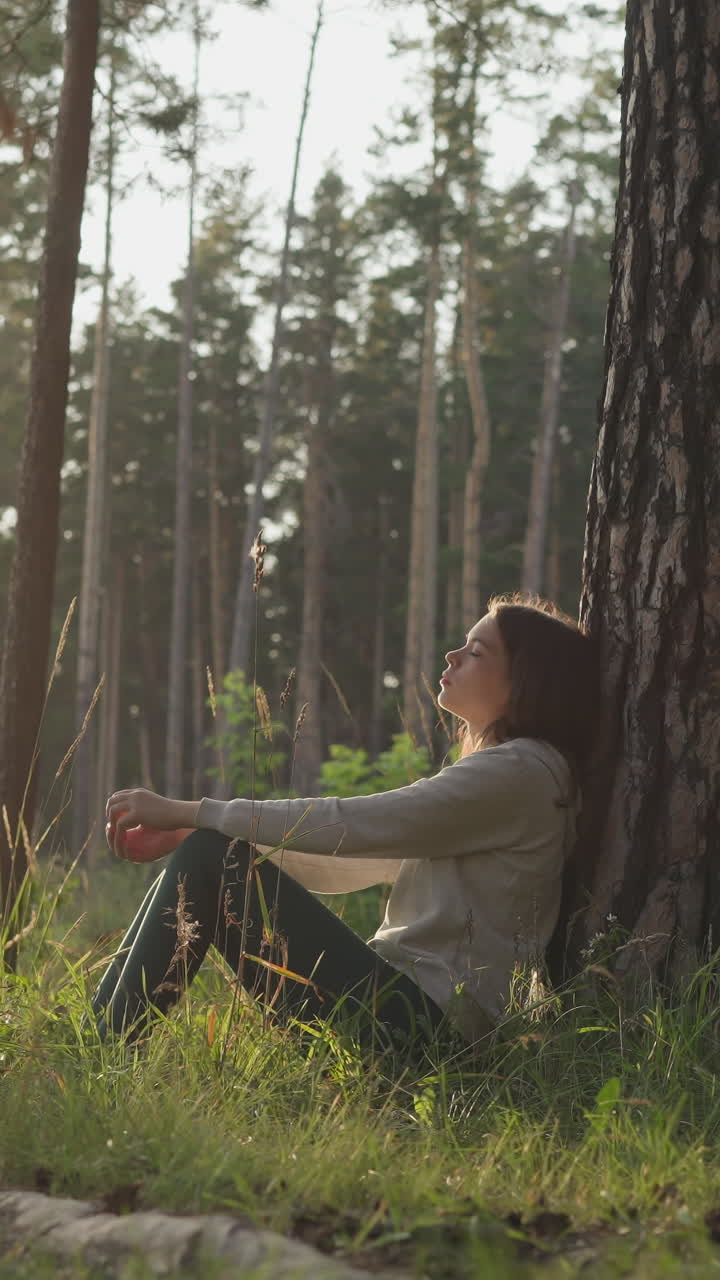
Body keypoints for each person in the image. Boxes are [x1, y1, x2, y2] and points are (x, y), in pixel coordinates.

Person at [93, 593, 601, 1052]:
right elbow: (361, 861)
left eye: (476, 652)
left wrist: (192, 813)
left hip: (426, 1027)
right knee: (207, 851)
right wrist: (205, 835)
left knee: (209, 853)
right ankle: (97, 1040)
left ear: (525, 682)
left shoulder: (521, 771)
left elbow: (355, 824)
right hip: (410, 1016)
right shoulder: (512, 776)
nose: (452, 656)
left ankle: (101, 1052)